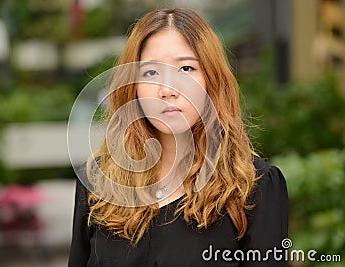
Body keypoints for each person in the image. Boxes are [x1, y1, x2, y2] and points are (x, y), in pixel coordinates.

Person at [68, 7, 288, 267]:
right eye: (151, 72)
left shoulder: (254, 187)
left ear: (211, 80)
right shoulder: (98, 182)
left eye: (186, 68)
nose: (168, 90)